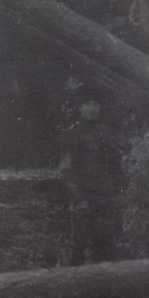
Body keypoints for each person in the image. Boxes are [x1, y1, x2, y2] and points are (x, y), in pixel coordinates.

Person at [58, 85, 124, 264]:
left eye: (95, 104)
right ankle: (74, 289)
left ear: (100, 107)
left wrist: (118, 193)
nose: (92, 108)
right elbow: (67, 171)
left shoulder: (107, 132)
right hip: (85, 197)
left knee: (105, 246)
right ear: (80, 107)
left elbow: (116, 166)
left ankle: (103, 289)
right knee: (78, 246)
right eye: (87, 104)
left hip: (106, 197)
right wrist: (79, 200)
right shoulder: (73, 134)